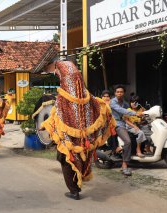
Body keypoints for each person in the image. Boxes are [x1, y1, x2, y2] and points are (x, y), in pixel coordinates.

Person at [40, 61, 115, 200]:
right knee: (80, 161)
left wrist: (45, 125)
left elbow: (55, 116)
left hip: (68, 141)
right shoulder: (89, 97)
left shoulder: (63, 99)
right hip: (86, 141)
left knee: (66, 160)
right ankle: (77, 187)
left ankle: (74, 191)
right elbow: (103, 110)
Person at [110, 85, 144, 176]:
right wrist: (136, 113)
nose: (119, 93)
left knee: (140, 133)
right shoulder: (113, 102)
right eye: (117, 92)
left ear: (124, 93)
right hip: (117, 124)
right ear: (115, 93)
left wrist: (143, 114)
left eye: (121, 92)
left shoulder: (125, 103)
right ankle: (124, 166)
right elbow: (122, 111)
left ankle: (136, 153)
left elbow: (127, 115)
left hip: (125, 124)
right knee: (128, 141)